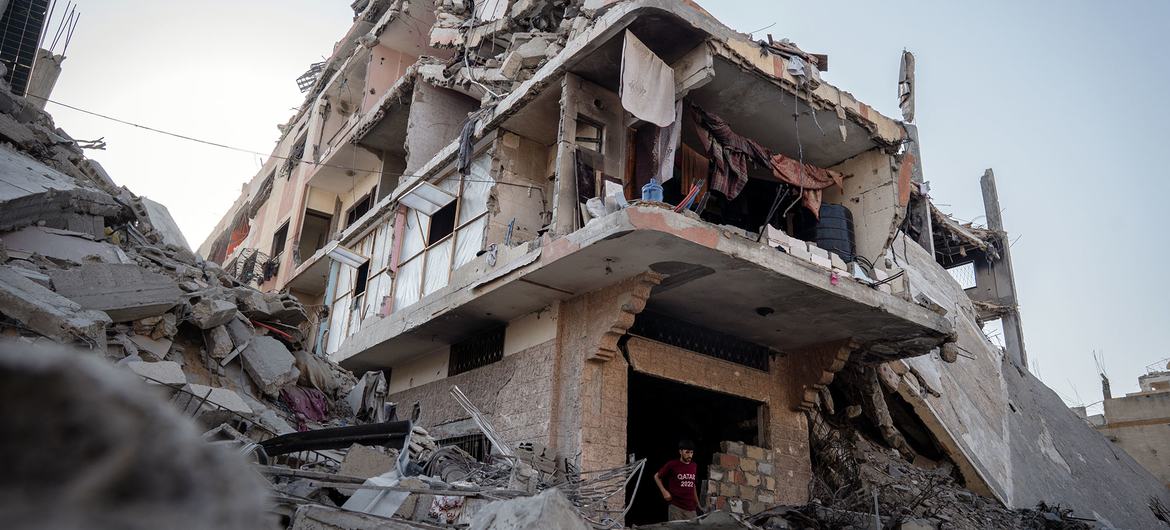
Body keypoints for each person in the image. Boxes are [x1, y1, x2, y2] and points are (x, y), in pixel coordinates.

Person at [654, 439, 703, 521]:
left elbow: (693, 485)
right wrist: (664, 491)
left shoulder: (694, 466)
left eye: (691, 452)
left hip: (691, 509)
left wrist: (698, 504)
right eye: (687, 452)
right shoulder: (672, 464)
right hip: (676, 507)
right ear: (680, 452)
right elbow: (656, 476)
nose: (690, 455)